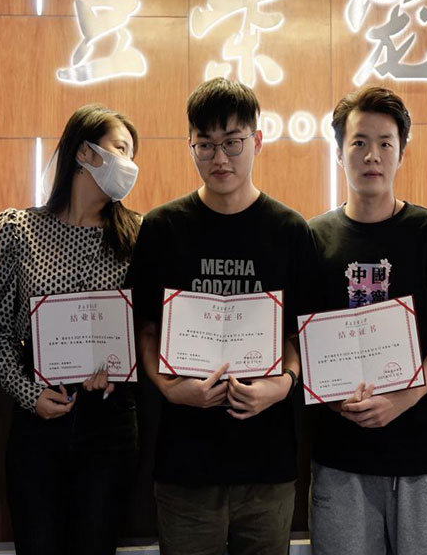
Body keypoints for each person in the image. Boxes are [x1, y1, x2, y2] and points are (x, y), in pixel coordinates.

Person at [126, 78, 316, 555]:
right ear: (190, 145)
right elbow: (146, 327)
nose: (220, 159)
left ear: (257, 141)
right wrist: (170, 387)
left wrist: (283, 385)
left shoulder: (290, 231)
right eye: (205, 145)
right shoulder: (163, 228)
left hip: (267, 462)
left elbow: (301, 333)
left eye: (232, 142)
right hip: (185, 460)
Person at [307, 86, 427, 554]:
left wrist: (403, 398)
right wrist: (335, 401)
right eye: (358, 142)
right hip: (342, 454)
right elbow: (305, 338)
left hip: (424, 454)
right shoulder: (314, 238)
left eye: (385, 143)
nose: (372, 155)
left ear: (402, 151)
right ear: (339, 151)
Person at [0, 104, 141, 555]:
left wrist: (117, 373)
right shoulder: (19, 228)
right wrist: (28, 393)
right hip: (38, 419)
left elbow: (145, 328)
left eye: (132, 154)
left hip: (108, 422)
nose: (129, 164)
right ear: (84, 152)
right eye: (120, 149)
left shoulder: (140, 234)